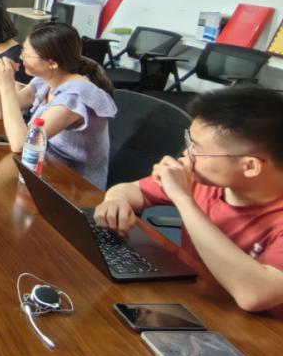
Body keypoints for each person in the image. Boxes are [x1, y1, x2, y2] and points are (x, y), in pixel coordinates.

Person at [94, 86, 283, 318]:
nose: (186, 154)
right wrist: (116, 200)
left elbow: (254, 295)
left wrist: (183, 199)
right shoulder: (207, 178)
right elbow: (130, 190)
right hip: (199, 300)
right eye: (189, 141)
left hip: (262, 329)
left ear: (250, 166)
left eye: (197, 149)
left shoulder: (200, 182)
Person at [0, 22, 117, 187]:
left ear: (52, 63)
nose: (21, 57)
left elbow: (21, 144)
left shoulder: (75, 97)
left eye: (26, 54)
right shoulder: (46, 79)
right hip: (44, 167)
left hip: (74, 186)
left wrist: (7, 87)